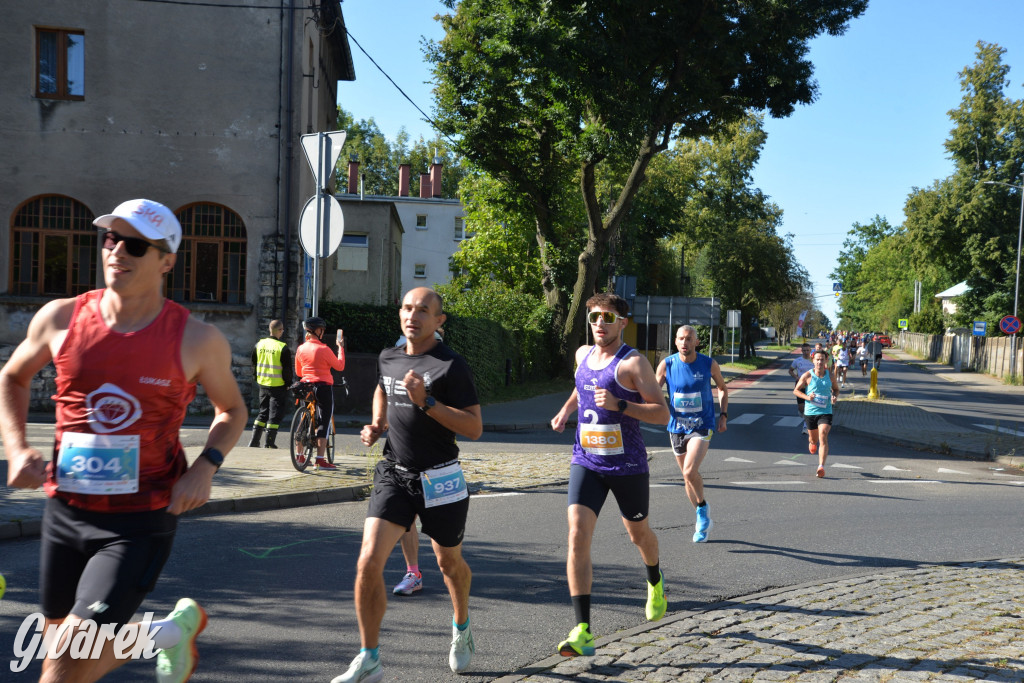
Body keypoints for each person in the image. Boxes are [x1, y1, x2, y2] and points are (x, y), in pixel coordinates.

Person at [0, 198, 246, 683]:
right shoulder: (61, 318)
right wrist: (18, 448)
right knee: (60, 652)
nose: (117, 251)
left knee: (68, 655)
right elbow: (12, 377)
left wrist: (204, 467)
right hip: (65, 511)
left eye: (134, 244)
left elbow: (233, 410)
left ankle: (166, 635)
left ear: (166, 261)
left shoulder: (195, 340)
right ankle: (169, 634)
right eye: (110, 239)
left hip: (139, 520)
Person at [334, 287, 482, 682]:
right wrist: (377, 424)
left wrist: (427, 402)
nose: (412, 315)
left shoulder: (452, 365)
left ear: (439, 321)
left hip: (441, 478)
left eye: (423, 310)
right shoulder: (389, 356)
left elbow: (474, 427)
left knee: (449, 564)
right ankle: (369, 657)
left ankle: (462, 627)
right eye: (407, 308)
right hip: (394, 472)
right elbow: (383, 387)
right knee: (368, 561)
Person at [550, 293, 670, 658]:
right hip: (586, 460)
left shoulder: (633, 364)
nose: (599, 323)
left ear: (622, 323)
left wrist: (621, 404)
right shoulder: (582, 355)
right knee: (577, 535)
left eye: (607, 317)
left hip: (627, 465)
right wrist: (565, 411)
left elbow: (661, 414)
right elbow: (581, 386)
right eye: (594, 317)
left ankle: (654, 579)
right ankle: (583, 629)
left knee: (639, 534)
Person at [655, 325, 728, 544]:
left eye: (688, 339)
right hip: (676, 427)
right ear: (675, 342)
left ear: (696, 342)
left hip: (701, 425)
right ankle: (701, 515)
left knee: (689, 471)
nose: (684, 343)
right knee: (687, 478)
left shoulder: (708, 363)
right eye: (680, 339)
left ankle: (702, 510)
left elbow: (723, 388)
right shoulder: (667, 365)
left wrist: (723, 414)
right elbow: (653, 391)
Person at [390, 328, 446, 597]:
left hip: (436, 460)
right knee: (406, 518)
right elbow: (382, 393)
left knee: (443, 542)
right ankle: (413, 572)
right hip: (402, 458)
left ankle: (451, 567)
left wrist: (426, 401)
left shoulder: (443, 367)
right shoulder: (394, 365)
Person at [293, 317, 345, 470]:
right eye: (322, 330)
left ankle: (300, 455)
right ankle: (320, 460)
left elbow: (298, 371)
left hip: (306, 386)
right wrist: (340, 348)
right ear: (318, 331)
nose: (323, 332)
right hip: (323, 387)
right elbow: (340, 366)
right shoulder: (324, 349)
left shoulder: (301, 348)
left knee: (304, 418)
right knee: (324, 420)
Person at [793, 348, 840, 478]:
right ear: (813, 360)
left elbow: (836, 389)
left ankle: (821, 467)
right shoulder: (807, 375)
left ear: (826, 361)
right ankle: (812, 443)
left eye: (822, 360)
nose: (820, 362)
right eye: (817, 359)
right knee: (813, 439)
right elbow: (796, 391)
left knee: (823, 435)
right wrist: (808, 397)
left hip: (826, 410)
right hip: (810, 412)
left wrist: (834, 397)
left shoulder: (830, 375)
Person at [248, 319, 293, 448]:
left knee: (263, 412)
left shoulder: (259, 345)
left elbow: (253, 364)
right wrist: (288, 383)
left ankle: (254, 442)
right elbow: (287, 370)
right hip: (278, 385)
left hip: (263, 384)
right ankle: (269, 443)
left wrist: (256, 377)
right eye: (282, 329)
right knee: (275, 415)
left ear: (269, 329)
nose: (283, 331)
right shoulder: (282, 348)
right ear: (279, 330)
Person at [788, 343, 814, 435]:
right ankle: (803, 414)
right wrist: (796, 377)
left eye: (808, 350)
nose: (806, 352)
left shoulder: (814, 361)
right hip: (800, 386)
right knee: (801, 408)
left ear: (810, 350)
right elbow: (790, 370)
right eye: (804, 350)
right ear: (802, 351)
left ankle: (805, 426)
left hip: (811, 387)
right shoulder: (797, 361)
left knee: (809, 406)